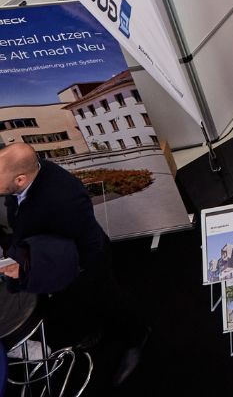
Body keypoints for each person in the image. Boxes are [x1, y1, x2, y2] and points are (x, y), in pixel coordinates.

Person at [0, 143, 147, 384]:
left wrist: (30, 264)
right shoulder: (30, 175)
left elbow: (76, 248)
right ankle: (96, 326)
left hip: (85, 264)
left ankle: (136, 338)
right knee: (82, 302)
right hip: (62, 256)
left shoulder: (63, 200)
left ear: (20, 180)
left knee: (110, 301)